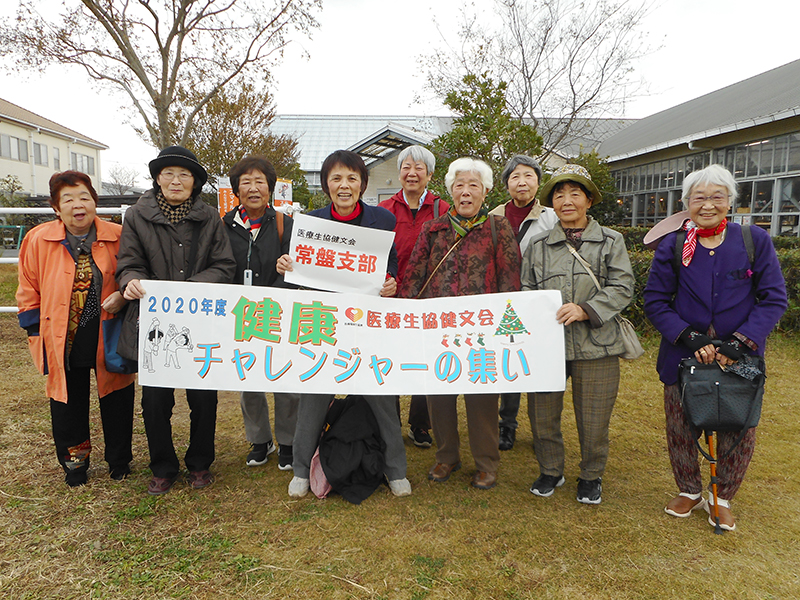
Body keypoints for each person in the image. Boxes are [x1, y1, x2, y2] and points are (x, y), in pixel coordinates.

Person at [644, 164, 786, 531]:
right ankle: (689, 489)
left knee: (737, 426)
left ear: (730, 201)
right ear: (686, 203)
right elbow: (656, 301)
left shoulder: (753, 239)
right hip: (683, 353)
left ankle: (721, 497)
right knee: (680, 424)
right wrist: (689, 337)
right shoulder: (675, 244)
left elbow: (773, 299)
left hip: (739, 357)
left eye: (717, 197)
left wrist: (740, 342)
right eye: (699, 197)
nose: (707, 205)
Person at [277, 150, 411, 499]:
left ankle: (396, 469)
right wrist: (286, 265)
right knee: (314, 396)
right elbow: (298, 276)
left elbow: (391, 264)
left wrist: (391, 281)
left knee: (381, 396)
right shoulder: (310, 222)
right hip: (324, 323)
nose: (344, 185)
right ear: (326, 185)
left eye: (352, 178)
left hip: (367, 323)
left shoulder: (381, 220)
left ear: (363, 183)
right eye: (336, 178)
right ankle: (302, 469)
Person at [116, 145, 236, 495]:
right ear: (157, 177)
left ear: (196, 182)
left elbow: (224, 265)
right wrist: (131, 281)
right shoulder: (136, 216)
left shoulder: (209, 217)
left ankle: (200, 463)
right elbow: (129, 262)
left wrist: (190, 289)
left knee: (203, 397)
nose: (175, 180)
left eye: (184, 174)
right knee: (155, 399)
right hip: (154, 321)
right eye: (168, 173)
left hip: (199, 321)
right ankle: (163, 466)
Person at [399, 157, 522, 490]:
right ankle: (446, 456)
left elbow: (511, 282)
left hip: (481, 329)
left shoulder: (499, 229)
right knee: (439, 392)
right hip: (439, 328)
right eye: (459, 186)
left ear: (485, 192)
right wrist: (402, 316)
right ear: (450, 190)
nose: (466, 192)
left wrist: (507, 328)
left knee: (482, 396)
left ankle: (486, 462)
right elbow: (414, 277)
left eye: (473, 186)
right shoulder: (434, 229)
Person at [521, 164, 633, 504]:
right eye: (558, 194)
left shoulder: (611, 240)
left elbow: (623, 285)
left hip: (597, 344)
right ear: (552, 202)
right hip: (548, 346)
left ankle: (591, 475)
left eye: (574, 193)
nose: (566, 200)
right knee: (542, 414)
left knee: (594, 417)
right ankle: (551, 469)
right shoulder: (538, 244)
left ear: (588, 200)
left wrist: (586, 309)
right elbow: (526, 288)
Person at [16, 171, 135, 487]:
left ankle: (119, 460)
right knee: (68, 401)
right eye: (67, 200)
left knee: (118, 396)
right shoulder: (38, 239)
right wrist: (33, 331)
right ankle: (75, 463)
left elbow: (135, 273)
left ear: (95, 202)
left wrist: (123, 296)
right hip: (62, 335)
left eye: (84, 197)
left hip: (109, 331)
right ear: (56, 208)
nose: (77, 205)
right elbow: (28, 286)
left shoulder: (119, 235)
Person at [222, 155, 299, 470]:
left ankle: (289, 441)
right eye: (246, 182)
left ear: (270, 188)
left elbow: (295, 268)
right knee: (248, 377)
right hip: (239, 314)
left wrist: (275, 298)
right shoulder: (223, 225)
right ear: (236, 190)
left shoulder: (284, 223)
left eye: (260, 182)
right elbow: (219, 266)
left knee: (285, 379)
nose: (253, 188)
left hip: (278, 313)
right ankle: (259, 440)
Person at [379, 145, 450, 449]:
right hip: (392, 300)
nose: (412, 173)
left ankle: (421, 424)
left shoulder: (442, 209)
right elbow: (375, 255)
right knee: (391, 361)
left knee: (426, 362)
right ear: (399, 173)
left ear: (430, 174)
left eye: (419, 167)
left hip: (428, 300)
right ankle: (389, 422)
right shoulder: (383, 211)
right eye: (406, 167)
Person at [489, 155, 558, 451]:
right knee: (508, 362)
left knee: (540, 363)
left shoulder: (552, 217)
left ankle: (543, 429)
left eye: (528, 175)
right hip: (501, 299)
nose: (522, 182)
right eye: (515, 176)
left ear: (538, 182)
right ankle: (507, 424)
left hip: (539, 300)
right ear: (506, 184)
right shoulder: (492, 216)